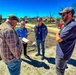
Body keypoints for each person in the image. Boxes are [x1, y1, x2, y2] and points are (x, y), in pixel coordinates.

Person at [56, 7, 76, 75]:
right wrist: (62, 28)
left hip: (62, 55)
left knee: (59, 72)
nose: (62, 17)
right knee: (61, 70)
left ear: (70, 14)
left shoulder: (72, 26)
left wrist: (57, 33)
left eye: (63, 14)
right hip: (63, 53)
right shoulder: (68, 24)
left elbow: (58, 39)